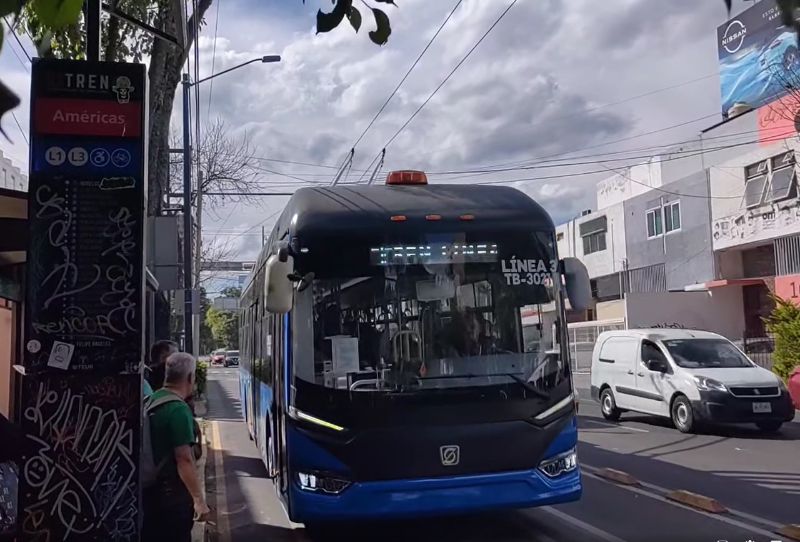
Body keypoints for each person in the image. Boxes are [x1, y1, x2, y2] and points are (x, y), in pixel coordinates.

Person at [142, 352, 210, 542]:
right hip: (172, 499)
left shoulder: (152, 400)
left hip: (150, 495)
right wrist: (199, 500)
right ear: (190, 378)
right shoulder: (178, 410)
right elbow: (184, 459)